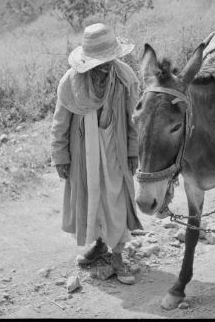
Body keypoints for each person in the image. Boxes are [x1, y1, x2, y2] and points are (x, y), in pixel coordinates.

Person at [50, 23, 142, 284]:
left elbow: (133, 119)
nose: (104, 68)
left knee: (115, 197)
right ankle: (99, 244)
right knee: (91, 198)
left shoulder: (125, 77)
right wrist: (61, 156)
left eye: (108, 62)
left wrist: (133, 152)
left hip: (116, 148)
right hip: (84, 153)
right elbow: (60, 123)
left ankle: (118, 255)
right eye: (98, 63)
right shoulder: (71, 82)